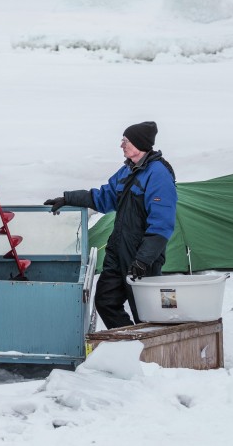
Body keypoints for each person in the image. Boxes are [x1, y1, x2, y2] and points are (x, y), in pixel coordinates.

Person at [44, 121, 177, 329]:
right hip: (117, 249)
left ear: (139, 143)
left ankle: (147, 356)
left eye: (126, 141)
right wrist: (68, 198)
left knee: (146, 312)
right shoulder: (127, 171)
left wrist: (143, 259)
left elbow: (162, 224)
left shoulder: (158, 175)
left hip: (141, 255)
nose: (121, 145)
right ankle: (127, 345)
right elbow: (103, 197)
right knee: (106, 301)